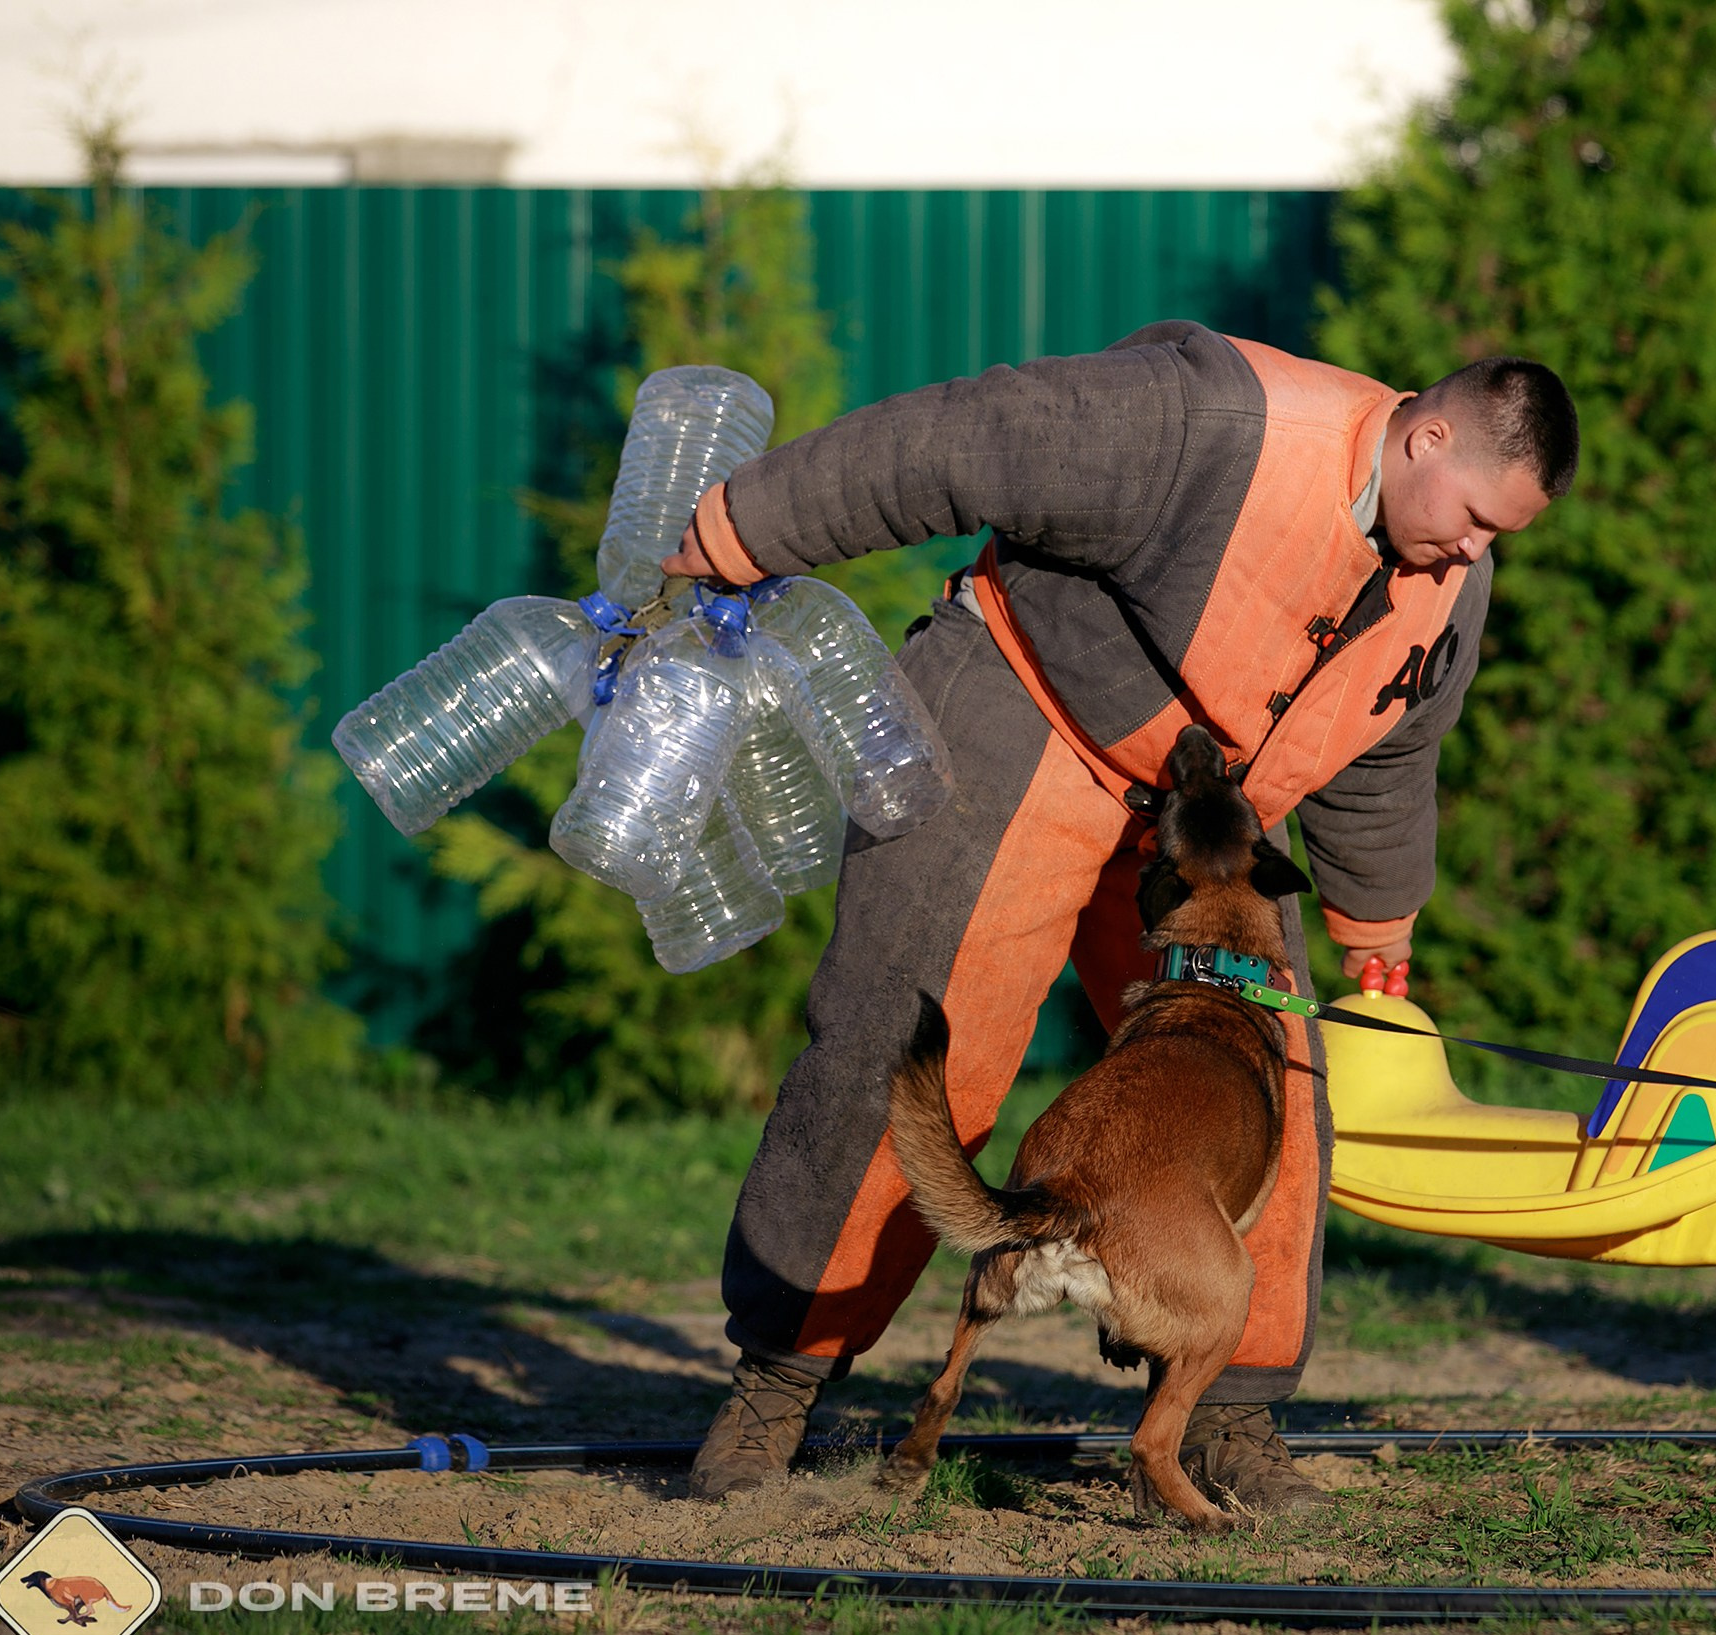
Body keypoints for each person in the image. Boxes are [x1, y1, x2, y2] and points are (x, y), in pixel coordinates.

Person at [660, 320, 1576, 1509]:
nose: (1471, 552)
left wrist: (1376, 918)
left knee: (1279, 1085)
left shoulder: (1454, 581)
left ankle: (1226, 1416)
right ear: (1429, 432)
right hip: (1022, 711)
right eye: (1474, 518)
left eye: (1496, 538)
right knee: (914, 1049)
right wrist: (742, 529)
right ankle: (775, 1390)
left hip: (1202, 817)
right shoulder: (1210, 420)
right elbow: (955, 438)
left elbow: (1391, 748)